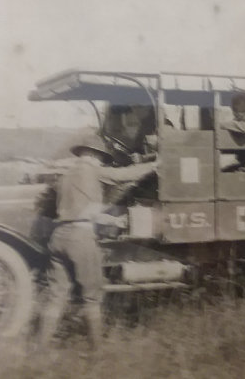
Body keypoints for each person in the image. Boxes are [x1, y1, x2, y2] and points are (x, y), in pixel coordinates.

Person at [48, 131, 156, 348]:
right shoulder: (92, 171)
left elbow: (79, 208)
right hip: (80, 237)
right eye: (101, 158)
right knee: (92, 297)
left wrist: (107, 218)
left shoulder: (65, 176)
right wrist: (155, 164)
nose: (100, 162)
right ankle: (97, 351)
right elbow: (125, 176)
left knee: (56, 296)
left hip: (58, 237)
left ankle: (40, 349)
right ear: (95, 155)